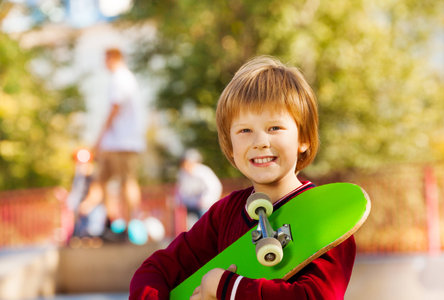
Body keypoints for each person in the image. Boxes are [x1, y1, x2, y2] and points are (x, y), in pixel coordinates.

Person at [129, 56, 356, 299]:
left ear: (304, 139)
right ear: (230, 146)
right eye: (245, 130)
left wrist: (226, 287)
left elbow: (317, 295)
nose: (260, 142)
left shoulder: (328, 216)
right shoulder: (224, 215)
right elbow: (156, 270)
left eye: (274, 128)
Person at [79, 47, 146, 243]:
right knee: (101, 182)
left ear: (113, 58)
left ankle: (131, 224)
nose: (104, 64)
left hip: (124, 143)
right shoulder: (120, 78)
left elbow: (114, 108)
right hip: (114, 143)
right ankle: (111, 223)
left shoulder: (121, 78)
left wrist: (98, 138)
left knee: (127, 181)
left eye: (105, 59)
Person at [176, 148, 223, 224]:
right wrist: (180, 202)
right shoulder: (182, 174)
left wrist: (205, 201)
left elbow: (215, 187)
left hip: (205, 207)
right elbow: (181, 192)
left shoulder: (203, 171)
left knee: (205, 223)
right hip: (190, 206)